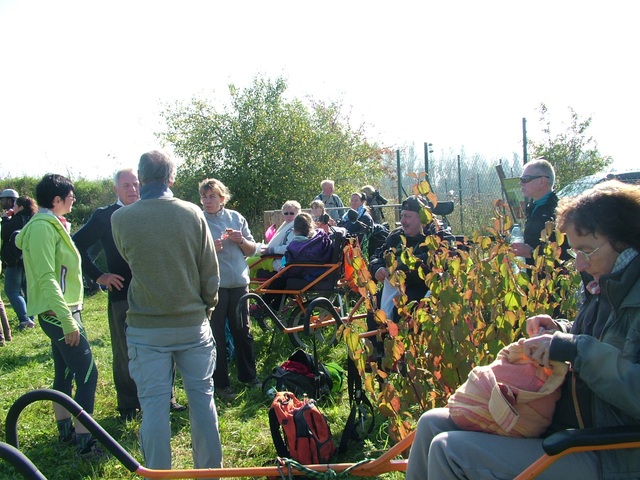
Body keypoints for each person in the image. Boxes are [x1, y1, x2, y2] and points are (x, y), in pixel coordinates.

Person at [406, 180, 640, 480]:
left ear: (624, 239)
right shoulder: (607, 282)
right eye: (574, 252)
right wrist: (560, 330)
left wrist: (576, 348)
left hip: (610, 454)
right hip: (566, 428)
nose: (579, 264)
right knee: (431, 425)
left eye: (587, 250)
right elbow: (600, 339)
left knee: (449, 450)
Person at [112, 150, 222, 472]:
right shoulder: (192, 213)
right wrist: (207, 307)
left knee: (154, 408)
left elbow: (129, 258)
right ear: (171, 178)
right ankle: (210, 475)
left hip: (146, 327)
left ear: (141, 179)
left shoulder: (121, 219)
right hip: (192, 324)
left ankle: (158, 475)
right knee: (202, 401)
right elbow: (209, 272)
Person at [72, 168, 187, 420]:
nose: (133, 189)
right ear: (115, 189)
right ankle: (128, 404)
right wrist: (99, 275)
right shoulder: (105, 216)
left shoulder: (152, 210)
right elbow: (76, 244)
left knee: (163, 346)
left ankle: (166, 397)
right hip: (122, 294)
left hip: (157, 293)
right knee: (126, 351)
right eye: (126, 185)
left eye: (136, 184)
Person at [16, 174, 102, 459]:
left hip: (63, 310)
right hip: (57, 313)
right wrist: (67, 319)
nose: (74, 198)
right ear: (56, 199)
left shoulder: (52, 224)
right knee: (88, 375)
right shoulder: (42, 228)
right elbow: (46, 276)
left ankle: (66, 431)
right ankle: (85, 444)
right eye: (70, 194)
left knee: (64, 373)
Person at [198, 178, 260, 402]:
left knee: (242, 331)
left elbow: (253, 249)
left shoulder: (236, 218)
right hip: (215, 286)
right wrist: (209, 249)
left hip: (239, 283)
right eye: (204, 197)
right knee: (216, 336)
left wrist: (241, 240)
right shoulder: (199, 220)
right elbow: (192, 254)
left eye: (212, 196)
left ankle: (249, 377)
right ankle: (221, 385)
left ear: (222, 198)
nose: (207, 201)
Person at [262, 212, 333, 310]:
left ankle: (262, 305)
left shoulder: (297, 245)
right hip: (321, 271)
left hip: (308, 275)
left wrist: (283, 269)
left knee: (280, 280)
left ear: (295, 229)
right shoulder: (321, 237)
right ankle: (274, 307)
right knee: (283, 281)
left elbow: (294, 268)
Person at [512, 158, 566, 264]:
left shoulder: (560, 210)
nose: (521, 183)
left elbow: (564, 252)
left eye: (525, 179)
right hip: (534, 275)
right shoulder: (533, 206)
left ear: (542, 181)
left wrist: (532, 253)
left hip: (553, 277)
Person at [2, 196, 37, 331]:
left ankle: (24, 320)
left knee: (12, 291)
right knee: (27, 290)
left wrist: (5, 218)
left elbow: (4, 234)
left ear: (21, 207)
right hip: (27, 261)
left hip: (14, 261)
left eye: (15, 206)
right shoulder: (32, 219)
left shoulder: (17, 219)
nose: (13, 208)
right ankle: (31, 318)